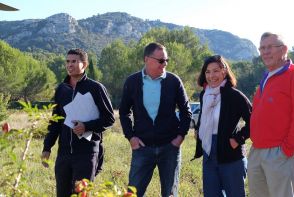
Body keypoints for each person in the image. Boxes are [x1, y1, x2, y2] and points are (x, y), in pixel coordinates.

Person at [119, 42, 192, 197]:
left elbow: (186, 111)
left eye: (166, 60)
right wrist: (131, 137)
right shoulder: (132, 82)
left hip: (170, 148)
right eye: (160, 60)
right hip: (142, 148)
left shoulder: (174, 81)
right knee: (133, 193)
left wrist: (180, 137)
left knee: (170, 194)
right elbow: (124, 112)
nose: (164, 64)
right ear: (147, 59)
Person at [41, 48, 115, 197]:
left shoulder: (96, 88)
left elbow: (109, 119)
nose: (70, 65)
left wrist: (86, 126)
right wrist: (47, 147)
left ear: (85, 64)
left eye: (74, 61)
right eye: (67, 61)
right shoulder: (61, 90)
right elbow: (55, 121)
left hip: (86, 154)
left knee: (81, 195)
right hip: (64, 154)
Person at [248, 32, 294, 197]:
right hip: (257, 152)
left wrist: (287, 150)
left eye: (270, 47)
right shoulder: (266, 77)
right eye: (262, 48)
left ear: (284, 49)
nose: (265, 52)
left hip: (281, 154)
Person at [192, 55, 252, 197]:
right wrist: (198, 130)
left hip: (230, 154)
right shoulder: (204, 95)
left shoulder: (234, 95)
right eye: (208, 72)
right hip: (208, 153)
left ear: (224, 71)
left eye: (216, 71)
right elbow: (204, 117)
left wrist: (238, 139)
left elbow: (254, 121)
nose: (211, 76)